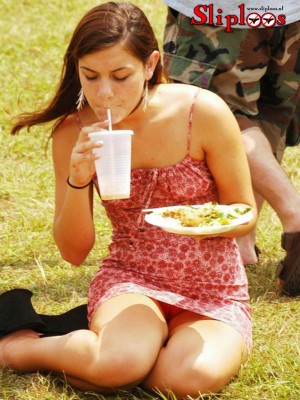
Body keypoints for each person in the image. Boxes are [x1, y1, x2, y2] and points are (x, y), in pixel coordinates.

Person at [1, 2, 257, 398]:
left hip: (213, 286)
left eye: (121, 76)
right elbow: (73, 252)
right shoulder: (75, 132)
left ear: (151, 64)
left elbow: (245, 214)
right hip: (133, 279)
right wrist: (77, 180)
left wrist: (206, 222)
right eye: (90, 76)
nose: (105, 93)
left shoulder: (200, 112)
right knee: (120, 363)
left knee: (182, 381)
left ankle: (109, 362)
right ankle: (21, 349)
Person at [162, 0, 300, 297]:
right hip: (290, 13)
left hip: (220, 14)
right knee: (269, 116)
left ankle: (294, 213)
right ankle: (242, 241)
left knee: (218, 115)